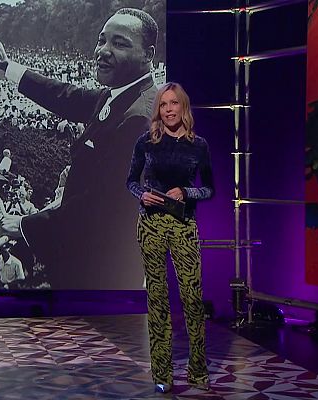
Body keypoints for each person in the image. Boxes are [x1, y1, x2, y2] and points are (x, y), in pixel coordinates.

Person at [0, 8, 159, 289]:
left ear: (148, 55)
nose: (103, 50)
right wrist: (8, 67)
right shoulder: (123, 95)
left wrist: (26, 226)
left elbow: (102, 206)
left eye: (120, 43)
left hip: (100, 274)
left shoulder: (138, 118)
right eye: (102, 40)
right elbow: (65, 96)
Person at [125, 82, 214, 393]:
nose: (169, 109)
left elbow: (210, 189)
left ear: (183, 107)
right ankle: (162, 374)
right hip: (150, 225)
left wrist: (187, 192)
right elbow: (131, 181)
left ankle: (198, 370)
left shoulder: (199, 145)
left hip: (183, 226)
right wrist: (143, 195)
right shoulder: (145, 143)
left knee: (192, 297)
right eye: (164, 105)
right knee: (158, 298)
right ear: (158, 110)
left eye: (174, 103)